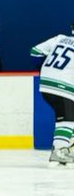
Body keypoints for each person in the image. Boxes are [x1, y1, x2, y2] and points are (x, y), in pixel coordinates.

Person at [29, 20, 74, 166]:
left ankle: (62, 150)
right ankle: (59, 152)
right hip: (63, 86)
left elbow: (34, 51)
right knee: (68, 120)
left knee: (65, 118)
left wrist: (48, 70)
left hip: (46, 83)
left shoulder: (59, 38)